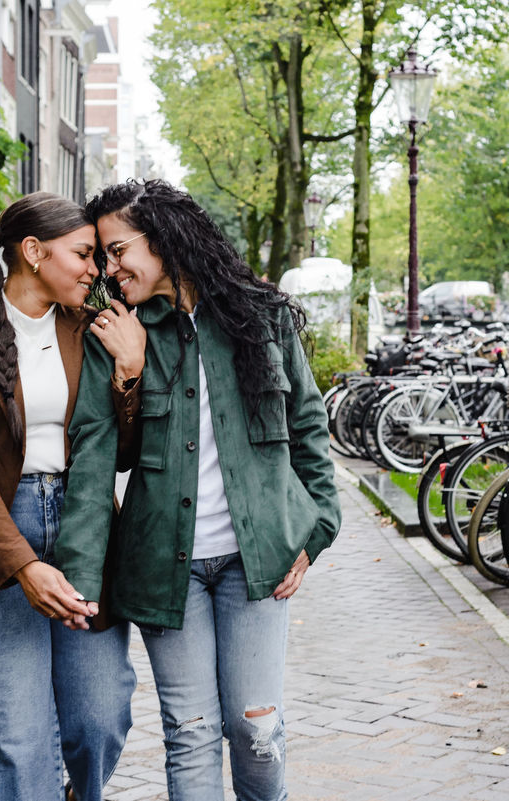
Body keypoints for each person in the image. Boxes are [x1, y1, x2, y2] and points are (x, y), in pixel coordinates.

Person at [57, 179, 341, 800]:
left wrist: (316, 531)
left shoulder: (260, 316)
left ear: (163, 240)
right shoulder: (120, 334)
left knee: (255, 729)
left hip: (257, 562)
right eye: (100, 256)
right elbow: (93, 460)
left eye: (115, 250)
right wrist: (78, 581)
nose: (108, 267)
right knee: (190, 732)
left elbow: (309, 428)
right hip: (164, 569)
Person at [0, 192, 145, 801]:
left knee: (100, 716)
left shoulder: (90, 328)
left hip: (86, 521)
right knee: (16, 737)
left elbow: (122, 453)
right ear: (32, 252)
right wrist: (21, 565)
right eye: (82, 255)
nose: (96, 270)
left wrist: (128, 372)